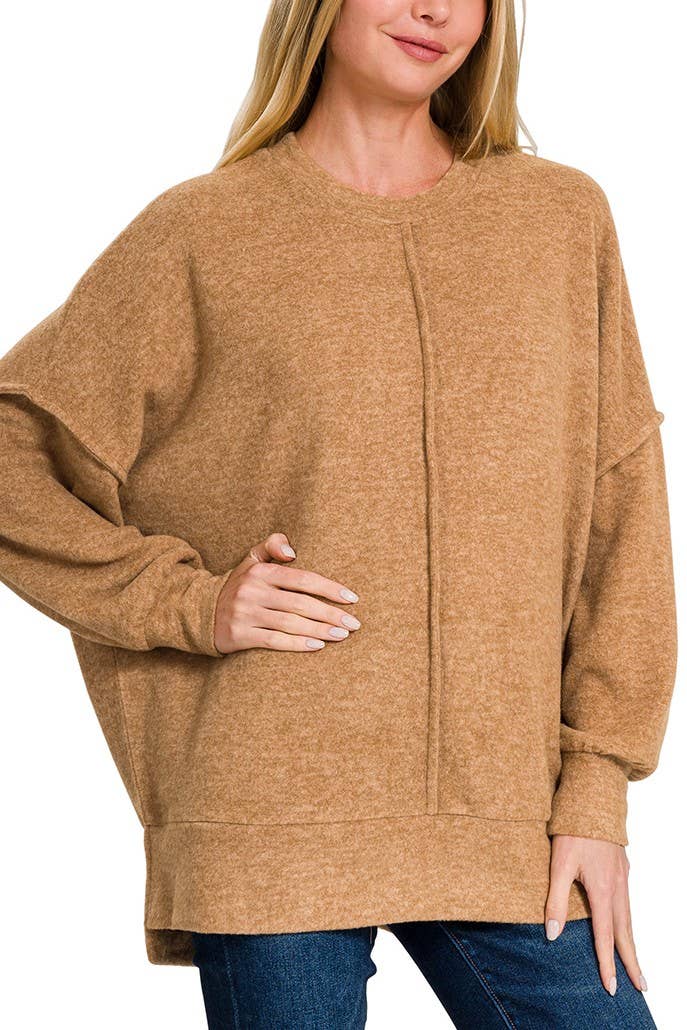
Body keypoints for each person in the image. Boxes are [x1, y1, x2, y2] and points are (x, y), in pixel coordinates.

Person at [0, 1, 676, 1027]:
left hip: (509, 814)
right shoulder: (204, 231)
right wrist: (189, 601)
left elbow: (621, 515)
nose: (435, 9)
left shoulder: (557, 219)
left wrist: (595, 789)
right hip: (269, 812)